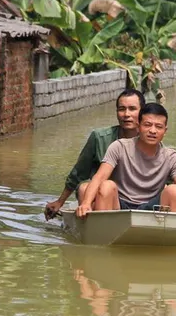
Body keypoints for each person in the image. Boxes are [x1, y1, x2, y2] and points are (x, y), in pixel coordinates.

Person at [76, 102, 176, 225]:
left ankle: (173, 239)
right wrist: (86, 203)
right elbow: (100, 177)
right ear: (138, 126)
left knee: (175, 190)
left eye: (158, 127)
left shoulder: (172, 157)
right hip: (120, 205)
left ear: (165, 131)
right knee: (106, 185)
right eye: (147, 125)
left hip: (153, 207)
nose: (152, 131)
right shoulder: (119, 147)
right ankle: (102, 235)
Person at [44, 89, 145, 220]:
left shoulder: (150, 140)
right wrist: (60, 202)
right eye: (121, 109)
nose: (126, 114)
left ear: (142, 112)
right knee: (84, 188)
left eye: (132, 109)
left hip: (134, 199)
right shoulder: (99, 137)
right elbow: (78, 172)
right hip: (101, 195)